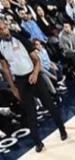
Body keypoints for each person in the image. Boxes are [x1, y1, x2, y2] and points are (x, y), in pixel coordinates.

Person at [0, 19, 67, 152]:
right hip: (21, 80)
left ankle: (62, 129)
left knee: (49, 104)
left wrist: (35, 74)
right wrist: (13, 87)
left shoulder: (20, 38)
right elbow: (6, 68)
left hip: (34, 75)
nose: (4, 31)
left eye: (4, 28)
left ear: (7, 26)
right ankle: (38, 142)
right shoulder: (0, 46)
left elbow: (37, 59)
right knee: (30, 113)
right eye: (0, 30)